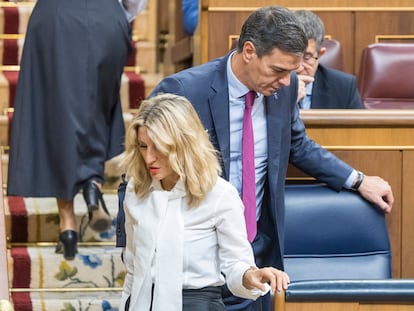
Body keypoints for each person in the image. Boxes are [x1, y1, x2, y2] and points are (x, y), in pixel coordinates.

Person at [149, 6, 393, 311]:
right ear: (249, 51)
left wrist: (357, 180)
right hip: (198, 256)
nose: (288, 81)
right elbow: (139, 170)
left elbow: (297, 145)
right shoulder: (184, 91)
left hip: (258, 252)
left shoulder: (283, 92)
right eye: (278, 70)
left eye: (292, 71)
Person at [118, 93, 290, 311]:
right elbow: (133, 268)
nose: (149, 158)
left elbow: (235, 264)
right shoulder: (136, 190)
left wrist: (251, 275)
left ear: (184, 144)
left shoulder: (219, 195)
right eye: (143, 146)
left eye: (159, 147)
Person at [6, 0, 147, 261]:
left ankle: (67, 226)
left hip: (55, 17)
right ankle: (92, 181)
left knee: (57, 116)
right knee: (96, 107)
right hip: (106, 19)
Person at [294, 9, 363, 109]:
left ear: (320, 54)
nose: (299, 67)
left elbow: (358, 124)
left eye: (307, 57)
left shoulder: (344, 87)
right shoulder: (270, 85)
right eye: (294, 57)